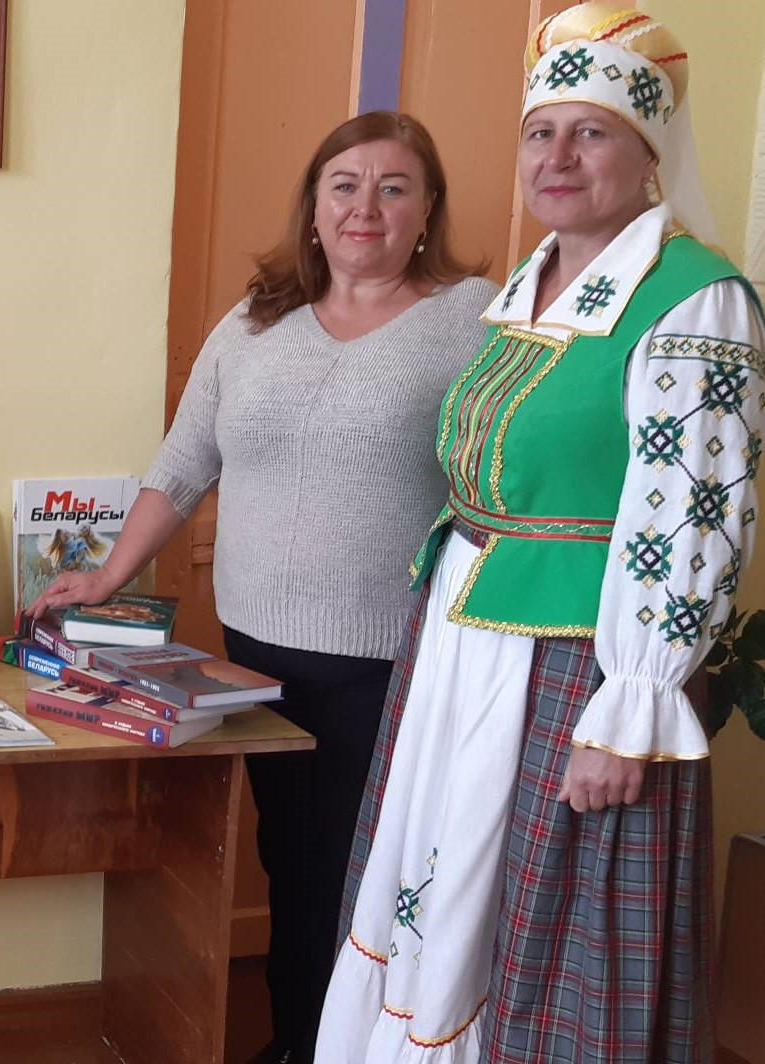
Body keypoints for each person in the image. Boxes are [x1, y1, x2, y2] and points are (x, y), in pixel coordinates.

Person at [318, 6, 763, 1062]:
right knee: (441, 882)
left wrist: (630, 705)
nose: (555, 157)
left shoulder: (692, 299)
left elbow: (695, 513)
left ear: (647, 153)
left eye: (590, 132)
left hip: (574, 662)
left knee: (537, 915)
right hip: (464, 638)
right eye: (538, 133)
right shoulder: (532, 285)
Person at [28, 111, 494, 1064]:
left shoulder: (473, 318)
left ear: (427, 210)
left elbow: (504, 480)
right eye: (343, 185)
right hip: (253, 656)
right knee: (289, 861)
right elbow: (183, 462)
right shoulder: (253, 322)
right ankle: (296, 1041)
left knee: (366, 875)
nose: (365, 207)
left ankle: (355, 1048)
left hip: (388, 660)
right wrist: (107, 573)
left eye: (393, 188)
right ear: (312, 207)